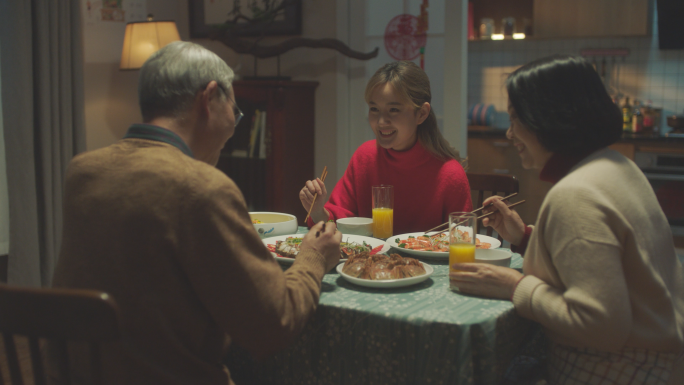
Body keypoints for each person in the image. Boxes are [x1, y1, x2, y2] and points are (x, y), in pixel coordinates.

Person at [48, 41, 342, 385]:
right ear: (209, 98)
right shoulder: (203, 188)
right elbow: (274, 325)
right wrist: (313, 256)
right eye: (236, 110)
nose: (234, 125)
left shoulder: (82, 171)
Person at [449, 55, 684, 385]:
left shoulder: (577, 193)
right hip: (664, 361)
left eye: (516, 119)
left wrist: (515, 286)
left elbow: (601, 326)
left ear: (548, 118)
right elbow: (602, 265)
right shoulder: (615, 165)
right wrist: (527, 238)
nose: (510, 132)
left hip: (621, 368)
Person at [299, 61, 472, 234]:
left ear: (421, 114)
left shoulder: (450, 175)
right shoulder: (365, 157)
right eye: (374, 109)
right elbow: (337, 223)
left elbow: (463, 241)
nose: (381, 121)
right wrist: (317, 210)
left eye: (394, 110)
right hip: (368, 260)